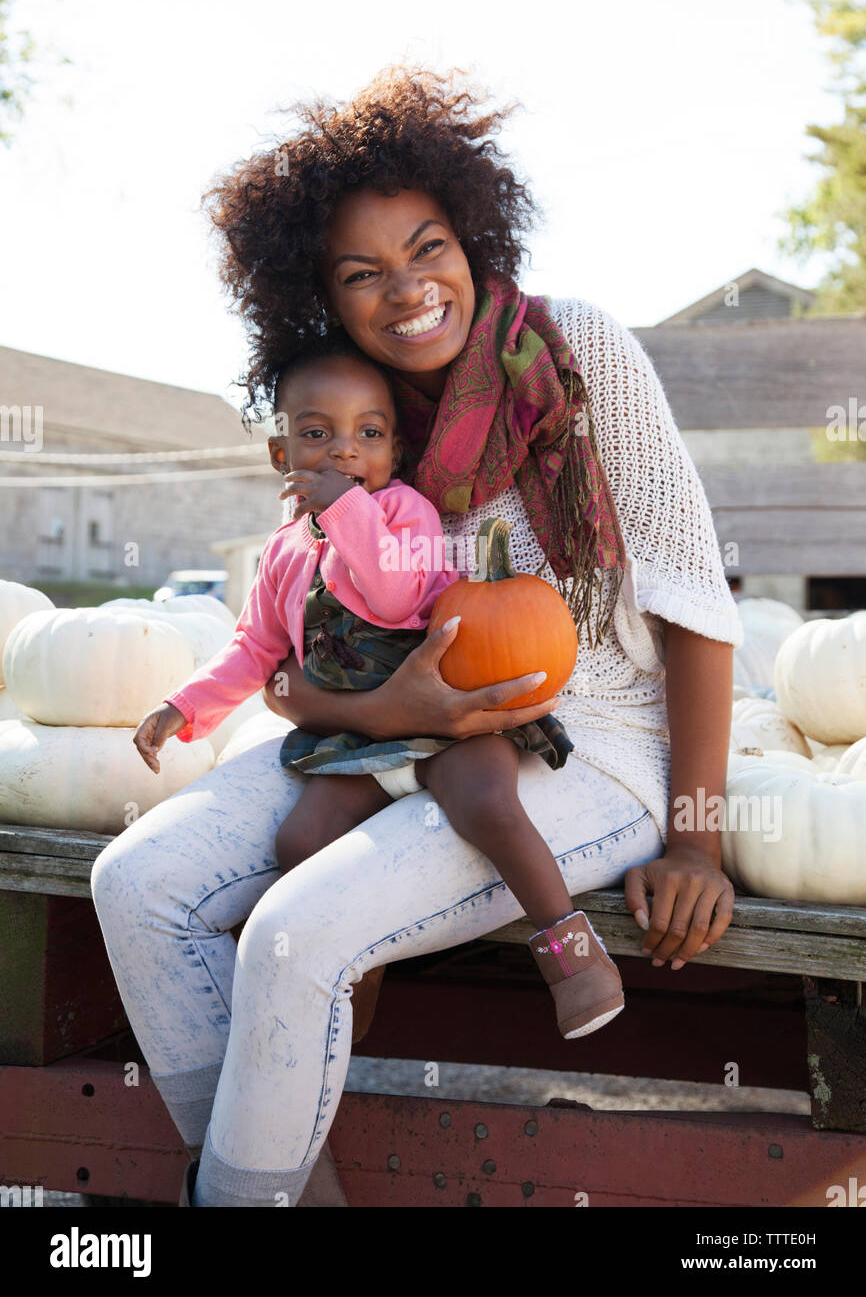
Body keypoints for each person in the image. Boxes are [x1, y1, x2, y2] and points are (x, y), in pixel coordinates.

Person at [90, 65, 743, 1209]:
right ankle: (282, 1193)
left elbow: (695, 604)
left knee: (291, 936)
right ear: (322, 298)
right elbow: (295, 660)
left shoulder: (573, 351)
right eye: (362, 273)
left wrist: (694, 840)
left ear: (474, 240)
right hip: (388, 740)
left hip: (588, 749)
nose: (407, 289)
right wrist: (394, 714)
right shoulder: (350, 424)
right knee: (136, 878)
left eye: (427, 247)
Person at [133, 334, 616, 1040]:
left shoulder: (405, 517)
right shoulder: (281, 553)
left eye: (369, 433)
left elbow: (391, 599)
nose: (344, 452)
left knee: (487, 804)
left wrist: (345, 513)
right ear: (282, 456)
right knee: (300, 841)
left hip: (448, 719)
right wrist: (185, 706)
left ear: (393, 452)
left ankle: (573, 956)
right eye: (318, 434)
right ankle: (358, 969)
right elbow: (255, 649)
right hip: (360, 735)